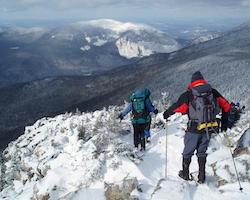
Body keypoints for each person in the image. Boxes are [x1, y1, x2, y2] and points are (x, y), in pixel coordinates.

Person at [163, 71, 231, 183]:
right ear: (202, 80)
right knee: (202, 152)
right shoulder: (212, 92)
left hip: (194, 129)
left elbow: (178, 107)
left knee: (187, 152)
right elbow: (226, 106)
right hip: (208, 128)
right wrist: (224, 124)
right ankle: (201, 177)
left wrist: (166, 113)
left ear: (192, 82)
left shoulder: (189, 94)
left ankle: (185, 174)